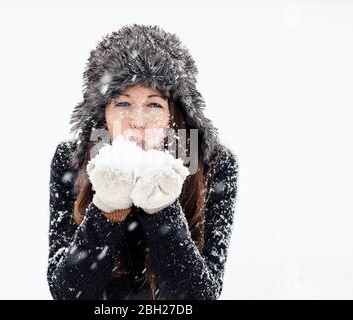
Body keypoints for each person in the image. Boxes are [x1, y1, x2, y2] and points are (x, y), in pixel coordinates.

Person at [47, 24, 239, 300]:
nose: (137, 121)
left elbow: (199, 296)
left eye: (154, 105)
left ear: (176, 114)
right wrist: (107, 210)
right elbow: (68, 293)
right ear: (103, 114)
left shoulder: (212, 165)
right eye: (122, 104)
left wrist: (162, 209)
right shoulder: (73, 161)